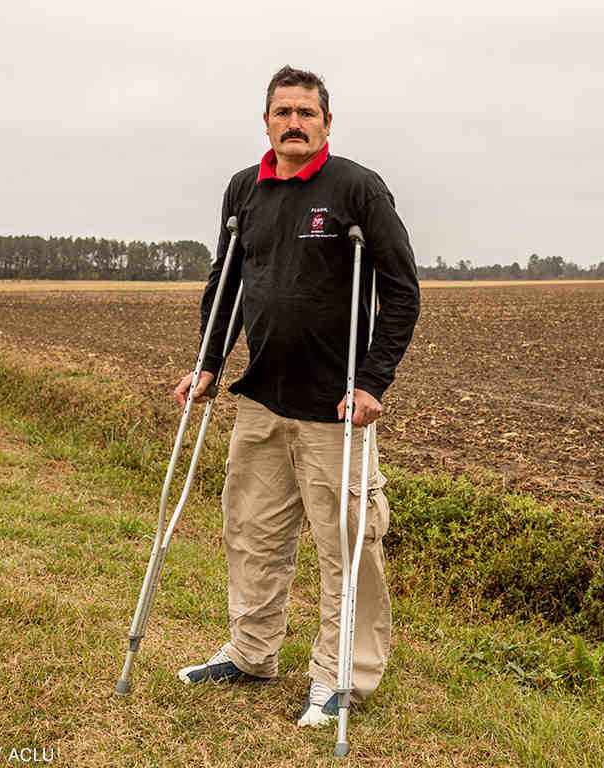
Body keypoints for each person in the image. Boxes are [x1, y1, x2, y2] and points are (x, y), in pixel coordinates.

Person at [172, 65, 420, 727]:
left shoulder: (357, 190)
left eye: (306, 113)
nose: (294, 123)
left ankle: (342, 677)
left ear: (327, 123)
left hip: (335, 407)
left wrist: (372, 381)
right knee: (252, 534)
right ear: (266, 122)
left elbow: (400, 292)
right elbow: (224, 286)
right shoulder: (244, 190)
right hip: (261, 399)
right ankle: (251, 653)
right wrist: (206, 364)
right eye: (283, 112)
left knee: (347, 545)